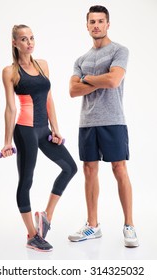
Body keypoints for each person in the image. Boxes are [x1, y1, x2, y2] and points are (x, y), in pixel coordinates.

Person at [0, 24, 77, 252]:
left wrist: (56, 129)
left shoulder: (42, 65)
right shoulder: (10, 71)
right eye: (23, 39)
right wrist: (7, 142)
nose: (29, 42)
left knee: (70, 168)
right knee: (26, 181)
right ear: (15, 43)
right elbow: (10, 108)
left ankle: (46, 215)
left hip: (44, 130)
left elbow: (49, 100)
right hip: (25, 130)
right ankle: (32, 236)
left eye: (31, 38)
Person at [68, 5, 139, 247]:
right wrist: (99, 80)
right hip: (87, 122)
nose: (96, 25)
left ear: (108, 24)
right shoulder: (81, 59)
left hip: (114, 120)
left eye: (100, 21)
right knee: (89, 171)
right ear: (87, 26)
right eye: (92, 22)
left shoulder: (120, 51)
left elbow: (114, 79)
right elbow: (72, 90)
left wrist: (87, 79)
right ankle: (92, 225)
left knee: (119, 169)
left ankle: (129, 225)